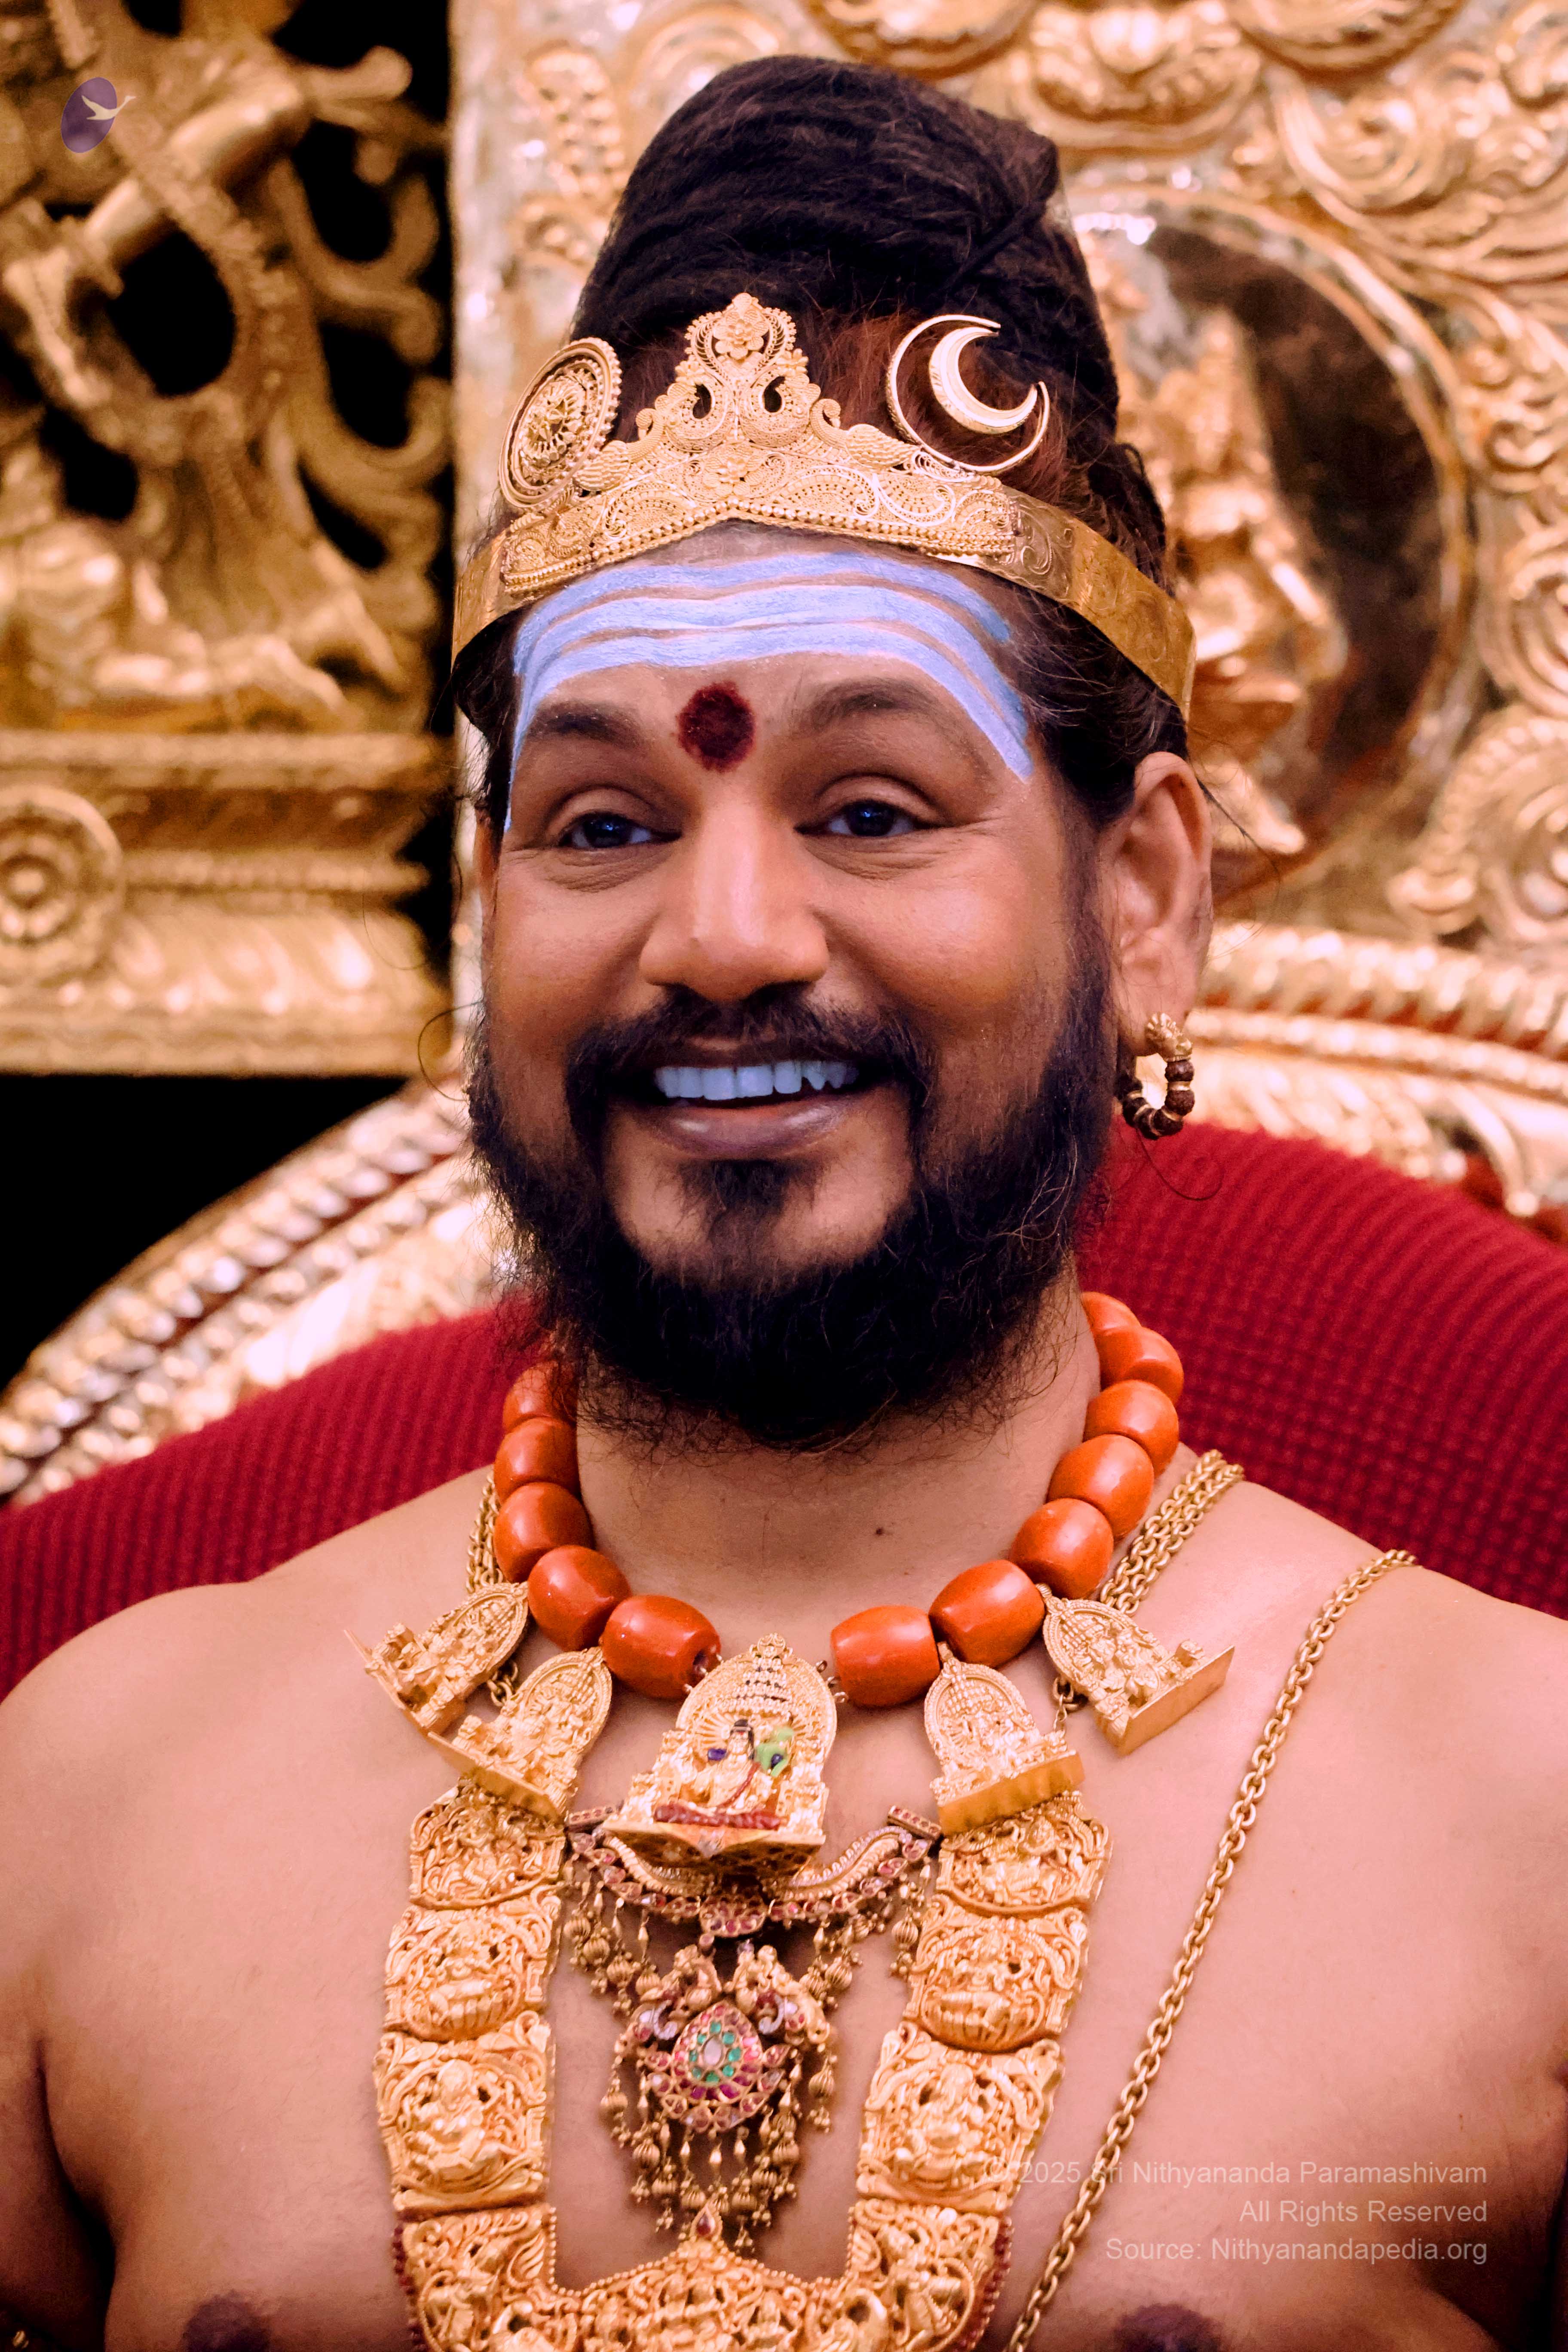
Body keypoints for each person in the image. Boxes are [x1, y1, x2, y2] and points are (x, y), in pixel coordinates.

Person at [2, 56, 1566, 2352]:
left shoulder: (1520, 1819)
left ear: (1144, 897)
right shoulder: (93, 1792)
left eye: (869, 808)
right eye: (605, 825)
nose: (722, 937)